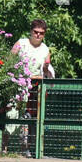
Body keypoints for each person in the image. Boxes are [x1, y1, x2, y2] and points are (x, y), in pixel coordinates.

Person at [10, 20, 53, 155]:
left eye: (41, 33)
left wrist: (46, 68)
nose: (38, 35)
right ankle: (4, 149)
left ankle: (26, 149)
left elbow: (46, 72)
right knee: (10, 114)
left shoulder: (45, 50)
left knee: (30, 119)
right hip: (18, 84)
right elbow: (9, 60)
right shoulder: (21, 43)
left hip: (35, 88)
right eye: (36, 32)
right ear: (31, 31)